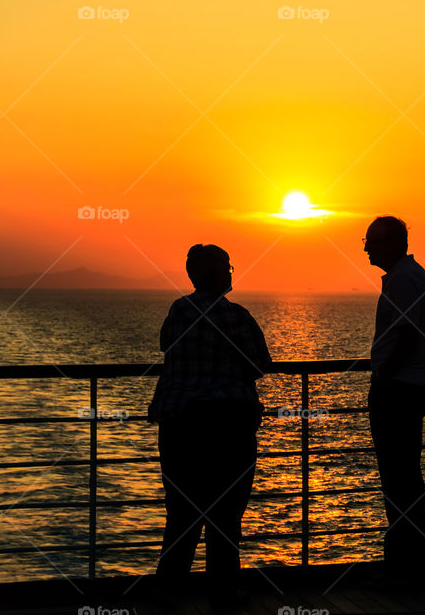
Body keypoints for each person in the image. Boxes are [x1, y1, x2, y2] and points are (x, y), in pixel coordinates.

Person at [148, 244, 271, 607]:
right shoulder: (236, 317)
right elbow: (260, 364)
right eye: (229, 268)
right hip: (228, 424)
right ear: (219, 274)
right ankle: (224, 590)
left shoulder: (178, 311)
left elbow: (165, 345)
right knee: (227, 512)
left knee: (182, 512)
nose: (232, 273)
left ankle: (169, 590)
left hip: (180, 424)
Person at [363, 215, 425, 587]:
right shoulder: (408, 276)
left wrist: (384, 374)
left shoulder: (404, 280)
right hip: (408, 386)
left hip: (398, 389)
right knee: (404, 478)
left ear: (394, 243)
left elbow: (407, 334)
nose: (365, 248)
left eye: (372, 242)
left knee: (399, 480)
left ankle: (404, 570)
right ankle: (411, 567)